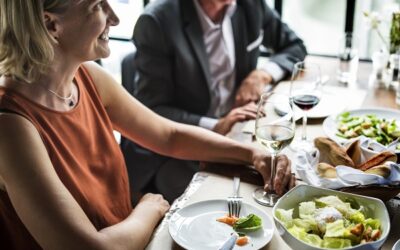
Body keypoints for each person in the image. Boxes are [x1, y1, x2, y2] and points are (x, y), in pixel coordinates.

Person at [0, 0, 294, 248]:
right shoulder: (10, 125)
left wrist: (253, 155)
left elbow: (169, 135)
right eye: (97, 6)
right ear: (51, 25)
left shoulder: (87, 76)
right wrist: (148, 209)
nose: (113, 17)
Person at [124, 0, 307, 202]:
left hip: (240, 130)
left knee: (289, 181)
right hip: (178, 151)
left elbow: (295, 45)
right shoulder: (156, 21)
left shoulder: (251, 5)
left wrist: (263, 74)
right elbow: (151, 111)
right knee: (242, 202)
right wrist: (215, 125)